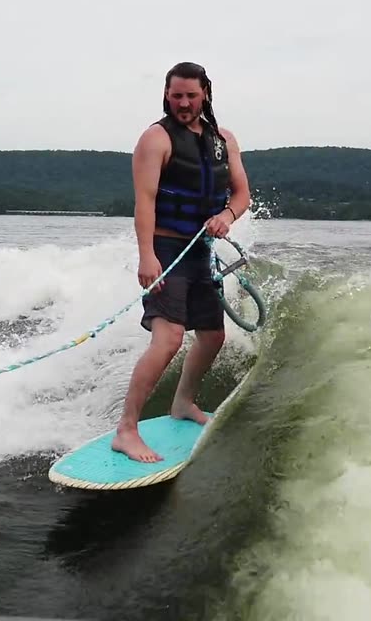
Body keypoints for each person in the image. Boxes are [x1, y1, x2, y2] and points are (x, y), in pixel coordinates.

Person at [111, 61, 252, 463]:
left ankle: (183, 403)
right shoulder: (155, 138)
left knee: (212, 336)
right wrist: (147, 256)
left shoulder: (224, 140)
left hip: (200, 253)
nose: (184, 103)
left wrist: (226, 217)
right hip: (166, 252)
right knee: (168, 339)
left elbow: (242, 195)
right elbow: (146, 202)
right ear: (166, 95)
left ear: (205, 92)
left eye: (191, 95)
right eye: (176, 96)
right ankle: (126, 430)